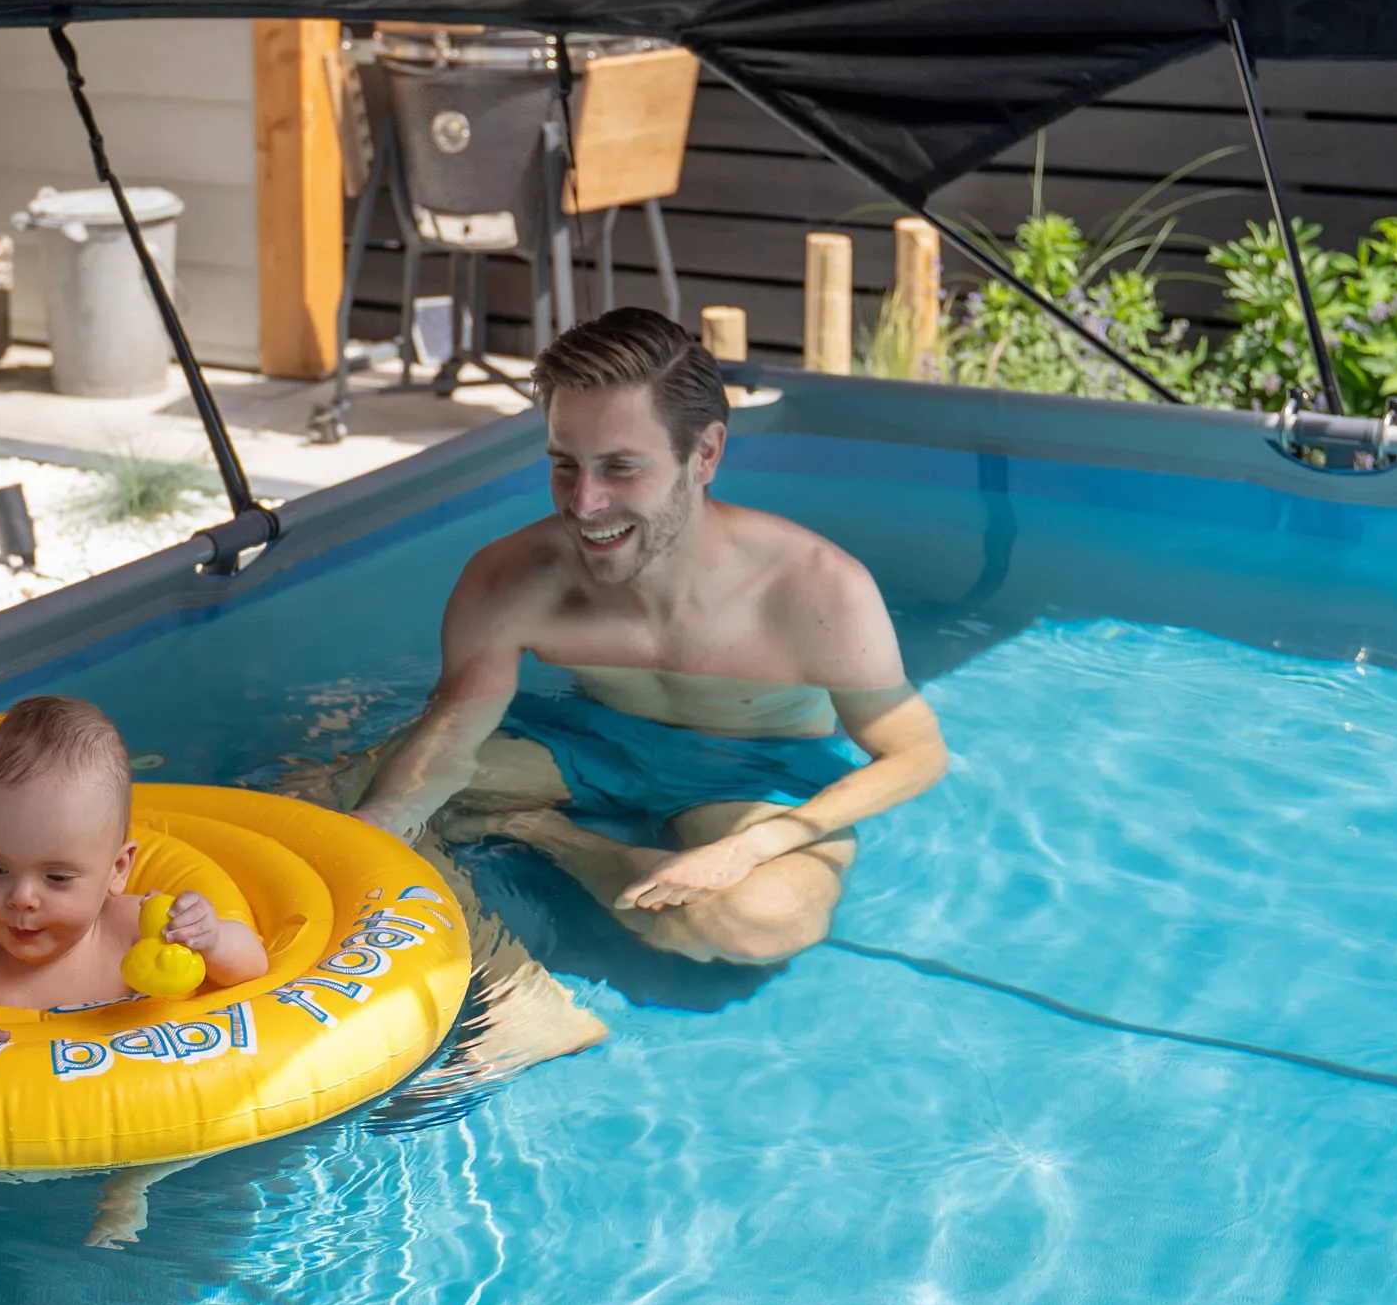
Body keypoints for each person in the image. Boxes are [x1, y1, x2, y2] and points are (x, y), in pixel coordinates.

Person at [329, 306, 947, 1075]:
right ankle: (517, 997)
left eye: (620, 468)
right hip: (593, 745)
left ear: (705, 453)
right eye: (564, 464)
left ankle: (545, 836)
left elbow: (914, 753)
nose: (582, 504)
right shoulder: (511, 577)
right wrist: (386, 819)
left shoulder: (812, 588)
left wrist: (754, 846)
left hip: (758, 773)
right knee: (346, 806)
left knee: (760, 923)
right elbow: (452, 730)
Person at [0, 693, 267, 1245]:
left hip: (138, 1122)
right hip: (0, 1140)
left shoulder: (138, 925)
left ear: (116, 869)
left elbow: (253, 968)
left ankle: (130, 1188)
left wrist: (211, 937)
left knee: (192, 1135)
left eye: (57, 878)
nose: (21, 898)